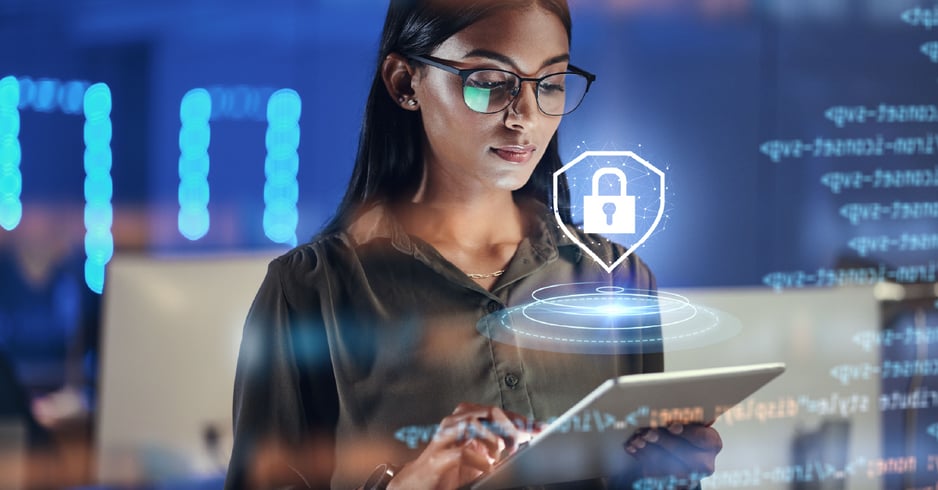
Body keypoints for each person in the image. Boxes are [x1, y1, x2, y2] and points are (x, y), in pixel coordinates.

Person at [225, 1, 722, 489]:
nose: (525, 116)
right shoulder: (311, 291)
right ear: (404, 83)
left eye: (550, 84)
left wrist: (666, 475)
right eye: (488, 82)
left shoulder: (616, 278)